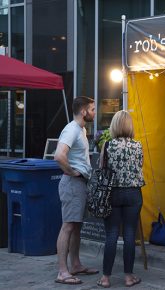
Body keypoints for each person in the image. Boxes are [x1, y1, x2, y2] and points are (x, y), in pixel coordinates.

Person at [96, 110, 145, 288]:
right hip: (133, 193)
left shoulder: (107, 145)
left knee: (111, 234)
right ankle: (128, 277)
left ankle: (106, 278)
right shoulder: (138, 145)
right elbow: (139, 166)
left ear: (114, 126)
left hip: (112, 193)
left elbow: (101, 168)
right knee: (130, 234)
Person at [54, 96, 97, 285]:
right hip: (72, 183)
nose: (95, 112)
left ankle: (76, 264)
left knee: (76, 226)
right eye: (93, 109)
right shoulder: (71, 129)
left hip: (79, 183)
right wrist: (72, 172)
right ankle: (63, 272)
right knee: (68, 226)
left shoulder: (81, 129)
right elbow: (58, 155)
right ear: (83, 111)